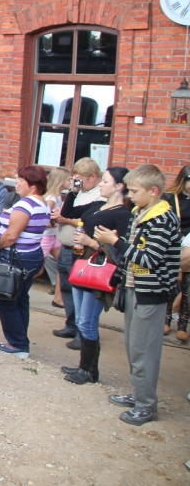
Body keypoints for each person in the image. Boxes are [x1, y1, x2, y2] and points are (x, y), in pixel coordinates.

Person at [95, 164, 182, 426]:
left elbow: (149, 259)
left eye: (134, 191)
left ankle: (146, 405)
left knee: (144, 350)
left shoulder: (163, 219)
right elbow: (133, 253)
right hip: (135, 287)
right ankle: (139, 393)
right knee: (133, 346)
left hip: (151, 292)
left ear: (153, 191)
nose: (129, 196)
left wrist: (116, 242)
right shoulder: (140, 212)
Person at [61, 167, 132, 384]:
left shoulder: (123, 214)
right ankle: (87, 368)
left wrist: (92, 243)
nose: (101, 184)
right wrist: (73, 191)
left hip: (99, 271)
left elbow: (120, 250)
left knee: (87, 321)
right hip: (82, 266)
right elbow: (69, 212)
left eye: (106, 181)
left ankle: (88, 371)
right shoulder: (99, 205)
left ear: (119, 186)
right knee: (81, 321)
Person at [0, 166, 50, 360]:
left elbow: (12, 236)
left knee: (5, 300)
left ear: (33, 185)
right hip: (31, 255)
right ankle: (20, 341)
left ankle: (17, 344)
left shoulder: (25, 205)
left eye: (21, 180)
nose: (17, 183)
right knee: (20, 299)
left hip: (16, 257)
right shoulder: (43, 203)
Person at [50, 157, 105, 347]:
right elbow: (67, 211)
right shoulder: (79, 192)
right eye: (75, 177)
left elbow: (89, 221)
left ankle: (84, 333)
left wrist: (66, 219)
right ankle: (71, 325)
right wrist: (72, 193)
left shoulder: (100, 195)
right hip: (66, 246)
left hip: (84, 249)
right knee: (67, 287)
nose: (76, 181)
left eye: (80, 178)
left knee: (83, 292)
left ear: (93, 177)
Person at [162, 164, 190, 340]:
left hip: (189, 247)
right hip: (174, 243)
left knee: (187, 285)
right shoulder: (170, 198)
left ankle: (182, 324)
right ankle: (165, 320)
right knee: (171, 283)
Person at [42, 167, 69, 308]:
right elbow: (44, 221)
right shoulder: (51, 198)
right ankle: (14, 288)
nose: (71, 182)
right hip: (46, 237)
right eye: (69, 179)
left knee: (63, 265)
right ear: (61, 181)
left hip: (54, 237)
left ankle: (58, 298)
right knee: (37, 270)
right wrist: (58, 222)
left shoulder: (59, 196)